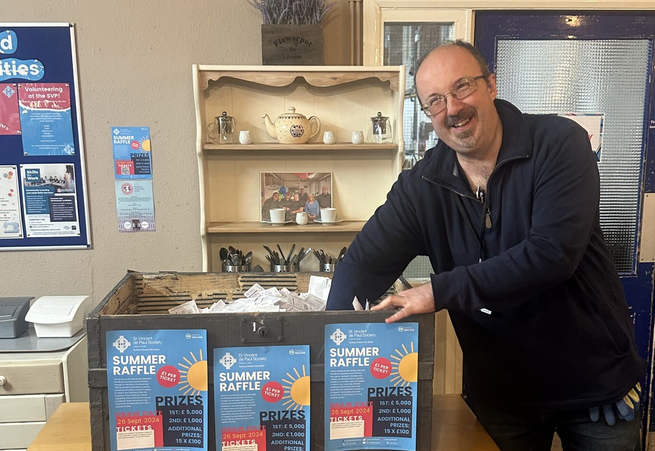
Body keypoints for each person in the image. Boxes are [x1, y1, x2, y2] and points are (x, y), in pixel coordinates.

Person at [326, 40, 645, 451]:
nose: (452, 108)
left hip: (593, 387)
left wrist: (438, 290)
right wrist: (325, 350)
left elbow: (551, 255)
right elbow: (363, 264)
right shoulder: (422, 185)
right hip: (501, 397)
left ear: (491, 85)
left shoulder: (559, 144)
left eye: (462, 87)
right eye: (435, 101)